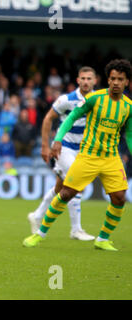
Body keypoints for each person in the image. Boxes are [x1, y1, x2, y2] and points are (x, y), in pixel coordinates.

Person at [23, 59, 132, 251]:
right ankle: (39, 234)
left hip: (111, 157)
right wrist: (57, 139)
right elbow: (71, 117)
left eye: (120, 79)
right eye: (113, 78)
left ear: (127, 82)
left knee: (119, 197)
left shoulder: (128, 106)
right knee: (66, 192)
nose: (115, 82)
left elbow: (129, 134)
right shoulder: (94, 98)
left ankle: (102, 238)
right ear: (107, 80)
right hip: (87, 155)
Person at [27, 66, 97, 241]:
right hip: (64, 146)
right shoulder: (67, 99)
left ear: (95, 81)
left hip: (83, 149)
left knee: (60, 188)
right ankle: (76, 230)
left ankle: (36, 215)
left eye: (89, 78)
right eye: (83, 78)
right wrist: (45, 146)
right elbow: (48, 118)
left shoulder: (99, 100)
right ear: (77, 80)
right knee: (76, 183)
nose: (86, 81)